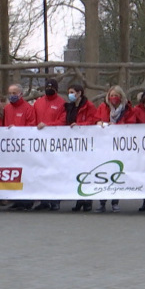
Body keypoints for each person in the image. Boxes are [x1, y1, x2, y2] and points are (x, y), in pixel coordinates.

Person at [95, 85, 135, 213]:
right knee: (104, 172)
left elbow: (132, 123)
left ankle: (115, 201)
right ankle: (102, 202)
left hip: (120, 146)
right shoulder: (103, 107)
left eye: (116, 96)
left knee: (117, 173)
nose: (113, 98)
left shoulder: (128, 109)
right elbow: (96, 118)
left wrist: (117, 126)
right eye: (111, 95)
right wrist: (99, 123)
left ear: (121, 97)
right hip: (104, 145)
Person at [64, 83, 99, 213]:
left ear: (79, 93)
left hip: (86, 143)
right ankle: (79, 199)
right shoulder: (69, 106)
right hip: (74, 144)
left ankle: (88, 201)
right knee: (76, 171)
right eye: (69, 92)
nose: (70, 95)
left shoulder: (88, 106)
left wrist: (79, 125)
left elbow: (93, 121)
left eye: (72, 92)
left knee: (87, 171)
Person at [33, 78, 66, 211]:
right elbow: (32, 120)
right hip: (40, 143)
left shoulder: (62, 103)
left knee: (55, 171)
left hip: (55, 142)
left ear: (56, 89)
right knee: (41, 170)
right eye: (47, 87)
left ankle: (55, 199)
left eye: (52, 87)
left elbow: (63, 121)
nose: (49, 89)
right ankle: (43, 199)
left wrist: (49, 125)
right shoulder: (38, 103)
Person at [4, 84, 36, 210]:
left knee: (26, 173)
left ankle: (27, 201)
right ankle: (16, 198)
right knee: (14, 172)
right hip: (11, 147)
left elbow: (31, 125)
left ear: (20, 94)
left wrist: (18, 131)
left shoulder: (27, 108)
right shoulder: (6, 108)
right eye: (10, 93)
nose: (12, 95)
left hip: (24, 147)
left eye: (14, 93)